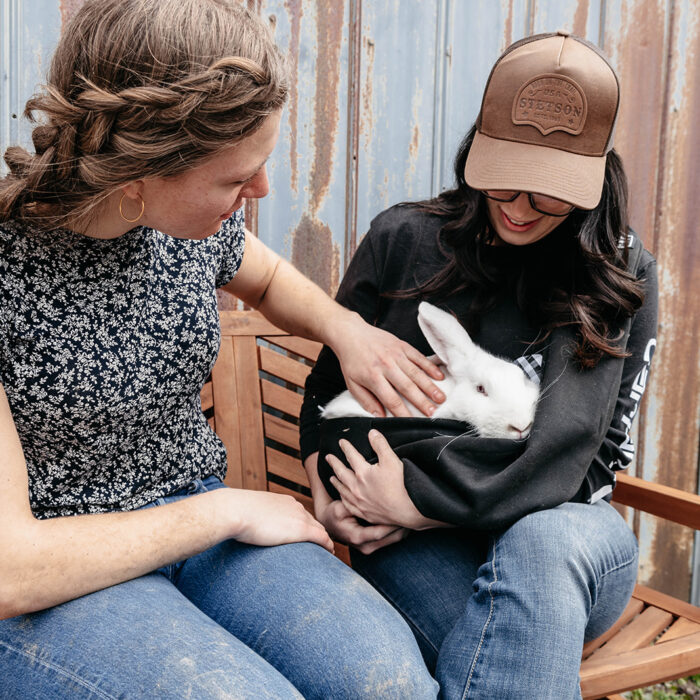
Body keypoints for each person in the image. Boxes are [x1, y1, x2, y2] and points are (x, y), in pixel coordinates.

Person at [0, 1, 443, 697]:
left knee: (386, 684)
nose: (261, 190)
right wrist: (227, 510)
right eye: (237, 179)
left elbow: (262, 275)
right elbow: (10, 570)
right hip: (60, 569)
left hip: (197, 519)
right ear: (139, 172)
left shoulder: (190, 229)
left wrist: (348, 331)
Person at [300, 32, 658, 699]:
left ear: (590, 178)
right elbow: (325, 394)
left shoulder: (614, 272)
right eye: (503, 182)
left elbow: (573, 459)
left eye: (549, 193)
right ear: (476, 148)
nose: (520, 209)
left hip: (570, 541)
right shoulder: (402, 239)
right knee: (496, 667)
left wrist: (424, 504)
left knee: (540, 544)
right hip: (405, 535)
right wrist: (326, 492)